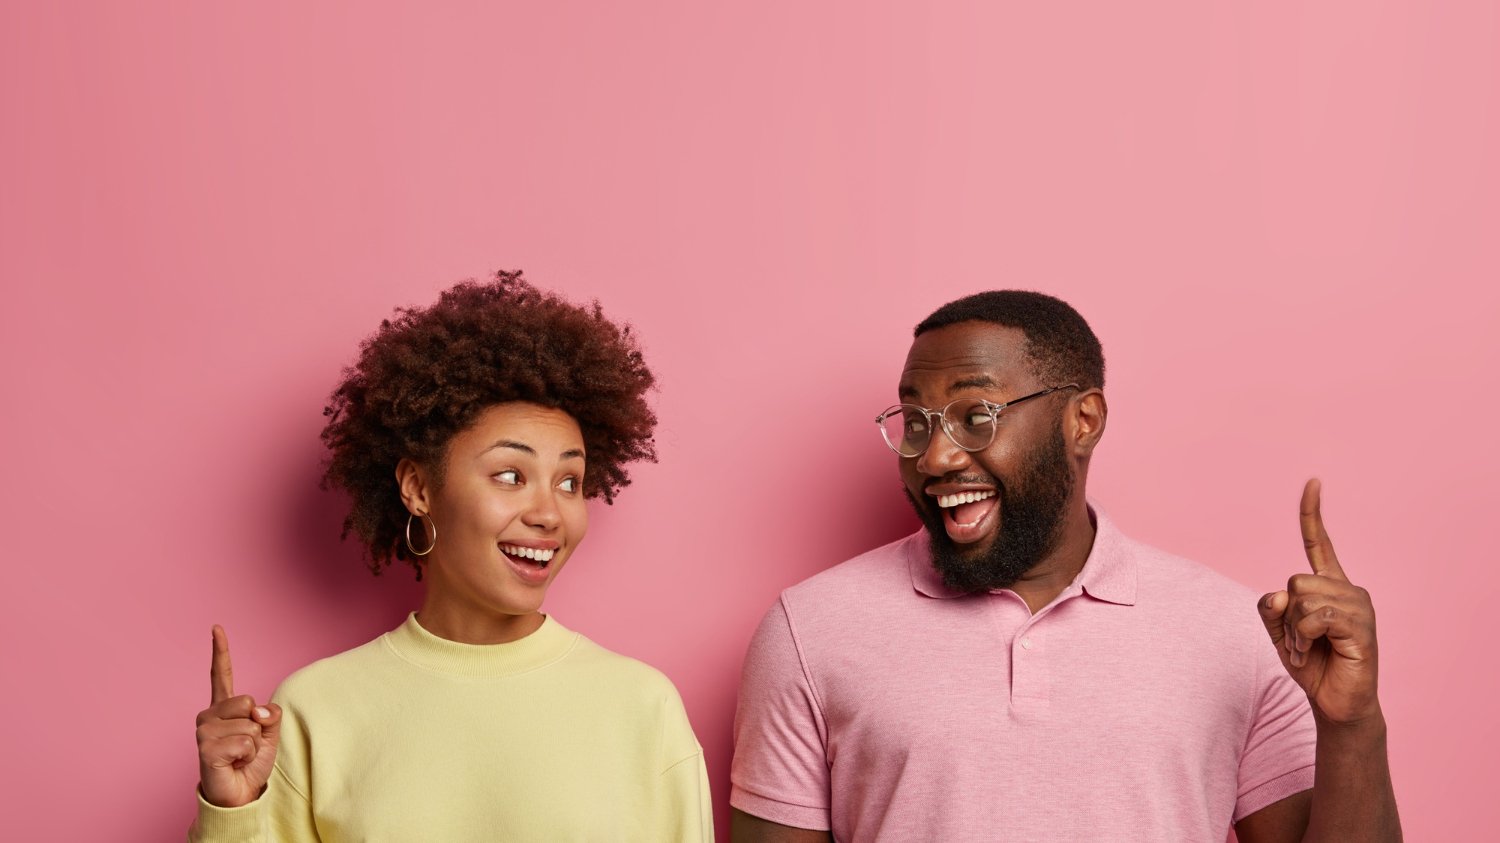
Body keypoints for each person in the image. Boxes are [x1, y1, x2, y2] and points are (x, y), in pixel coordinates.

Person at [730, 291, 1400, 842]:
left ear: (1083, 420)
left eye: (976, 415)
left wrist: (1352, 725)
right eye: (915, 419)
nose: (935, 457)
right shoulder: (810, 631)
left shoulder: (1237, 633)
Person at [190, 272, 712, 842]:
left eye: (569, 482)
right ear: (417, 487)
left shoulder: (641, 707)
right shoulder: (315, 708)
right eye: (511, 475)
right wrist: (232, 817)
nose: (550, 513)